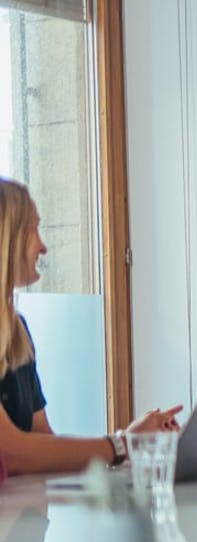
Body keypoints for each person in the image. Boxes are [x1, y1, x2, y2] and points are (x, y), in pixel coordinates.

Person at [0, 180, 180, 482]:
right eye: (33, 229)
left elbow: (43, 444)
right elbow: (11, 453)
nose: (42, 246)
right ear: (8, 239)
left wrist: (133, 445)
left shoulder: (17, 333)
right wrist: (124, 443)